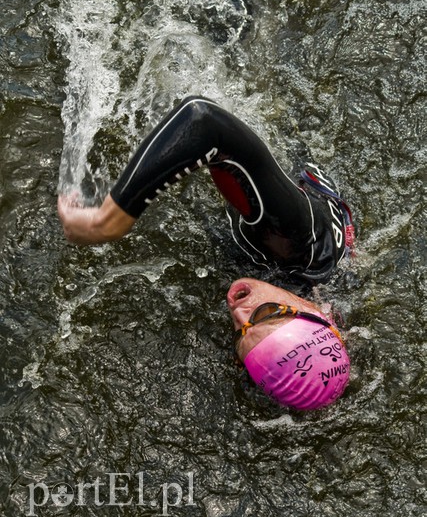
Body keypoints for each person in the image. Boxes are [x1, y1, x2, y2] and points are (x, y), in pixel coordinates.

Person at [58, 96, 354, 410]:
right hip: (264, 106)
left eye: (241, 333)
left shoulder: (328, 298)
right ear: (321, 314)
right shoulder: (295, 243)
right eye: (265, 313)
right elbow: (203, 120)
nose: (238, 310)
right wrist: (109, 222)